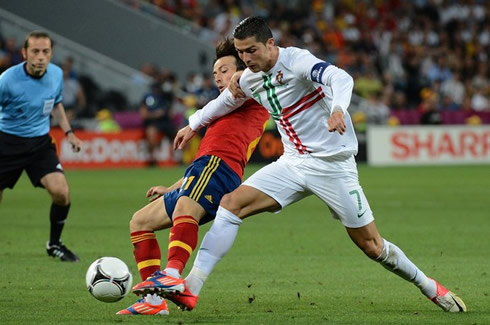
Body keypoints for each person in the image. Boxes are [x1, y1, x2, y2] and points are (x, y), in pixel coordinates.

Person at [133, 17, 467, 313]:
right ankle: (191, 287)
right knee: (229, 205)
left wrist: (338, 108)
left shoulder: (296, 61)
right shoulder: (249, 79)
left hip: (333, 167)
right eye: (241, 52)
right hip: (292, 164)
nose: (246, 59)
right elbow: (223, 103)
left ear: (270, 44)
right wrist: (193, 124)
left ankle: (428, 286)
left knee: (372, 246)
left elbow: (341, 78)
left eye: (251, 51)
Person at [116, 38, 269, 315]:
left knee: (185, 209)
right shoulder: (223, 105)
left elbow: (254, 72)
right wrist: (175, 186)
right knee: (140, 221)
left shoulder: (250, 89)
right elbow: (200, 166)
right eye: (215, 73)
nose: (219, 78)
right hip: (202, 172)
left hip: (220, 168)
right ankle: (153, 301)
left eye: (224, 70)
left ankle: (173, 273)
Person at [0, 31, 83, 262]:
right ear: (24, 53)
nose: (40, 57)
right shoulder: (7, 80)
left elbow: (56, 104)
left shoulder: (56, 74)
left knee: (61, 193)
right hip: (6, 142)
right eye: (35, 51)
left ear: (51, 54)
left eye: (45, 52)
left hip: (39, 143)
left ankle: (54, 244)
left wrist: (69, 133)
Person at [139, 82, 177, 166]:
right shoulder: (147, 98)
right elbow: (144, 114)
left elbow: (171, 113)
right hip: (152, 122)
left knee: (178, 134)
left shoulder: (165, 97)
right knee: (151, 135)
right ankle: (152, 158)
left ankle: (177, 158)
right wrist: (156, 114)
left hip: (165, 122)